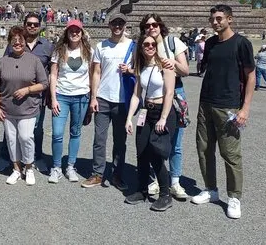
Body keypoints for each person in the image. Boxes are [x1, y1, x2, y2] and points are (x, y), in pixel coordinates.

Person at [193, 4, 255, 220]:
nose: (215, 22)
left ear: (230, 19)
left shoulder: (241, 43)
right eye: (212, 19)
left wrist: (245, 108)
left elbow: (250, 76)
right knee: (204, 149)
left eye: (219, 18)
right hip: (206, 103)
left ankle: (234, 197)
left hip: (228, 105)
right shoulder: (210, 43)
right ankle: (211, 189)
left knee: (230, 154)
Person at [139, 13, 190, 200]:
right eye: (147, 26)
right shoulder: (146, 45)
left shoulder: (172, 42)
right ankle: (157, 179)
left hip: (175, 94)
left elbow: (186, 71)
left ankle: (174, 181)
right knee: (154, 142)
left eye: (154, 24)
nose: (151, 28)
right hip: (154, 96)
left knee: (175, 142)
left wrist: (173, 62)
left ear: (160, 26)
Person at [81, 12, 135, 190]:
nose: (117, 26)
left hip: (122, 100)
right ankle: (97, 174)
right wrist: (93, 97)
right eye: (114, 23)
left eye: (120, 23)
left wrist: (130, 70)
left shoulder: (133, 46)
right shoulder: (101, 46)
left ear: (125, 25)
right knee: (99, 139)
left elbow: (141, 70)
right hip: (103, 98)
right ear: (109, 25)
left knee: (120, 141)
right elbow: (96, 72)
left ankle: (117, 175)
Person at [0, 13, 54, 173]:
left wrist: (50, 94)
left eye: (35, 24)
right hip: (13, 96)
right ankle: (6, 157)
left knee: (36, 130)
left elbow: (52, 71)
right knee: (10, 131)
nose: (32, 26)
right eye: (29, 24)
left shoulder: (47, 46)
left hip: (37, 97)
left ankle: (37, 157)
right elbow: (4, 67)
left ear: (40, 26)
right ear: (25, 24)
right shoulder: (16, 42)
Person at [124, 33, 177, 211]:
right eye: (146, 44)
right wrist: (129, 118)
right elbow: (136, 95)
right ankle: (142, 190)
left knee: (156, 153)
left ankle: (165, 195)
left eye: (152, 44)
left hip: (162, 112)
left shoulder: (165, 66)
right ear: (141, 47)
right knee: (142, 152)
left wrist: (163, 118)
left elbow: (169, 93)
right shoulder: (141, 67)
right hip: (146, 111)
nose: (149, 47)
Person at [48, 20, 91, 183]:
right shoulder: (59, 50)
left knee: (76, 132)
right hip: (62, 96)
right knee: (57, 133)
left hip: (81, 97)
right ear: (67, 32)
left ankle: (71, 166)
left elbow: (93, 74)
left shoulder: (88, 51)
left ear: (82, 33)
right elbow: (53, 74)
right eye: (71, 30)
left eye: (77, 30)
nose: (74, 33)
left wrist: (92, 97)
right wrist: (53, 98)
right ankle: (56, 167)